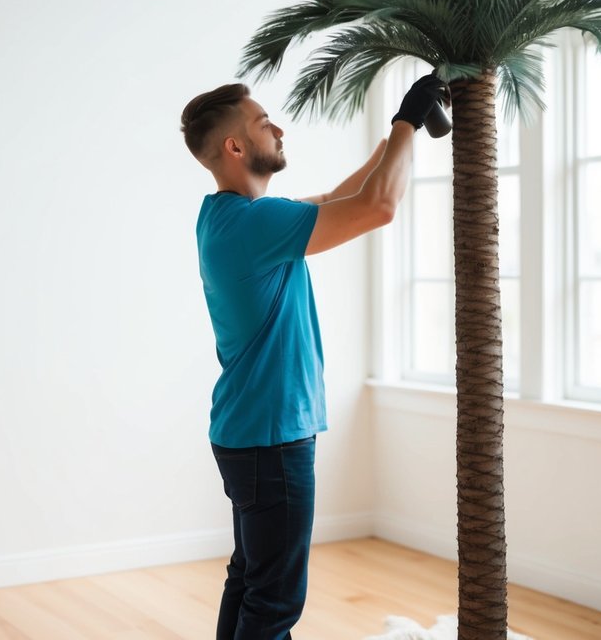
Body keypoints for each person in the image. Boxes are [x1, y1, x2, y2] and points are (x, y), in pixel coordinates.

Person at [179, 75, 447, 639]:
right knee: (274, 601)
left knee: (250, 577)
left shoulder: (228, 217)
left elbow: (336, 200)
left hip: (248, 431)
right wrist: (405, 120)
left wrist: (400, 134)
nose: (278, 127)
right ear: (234, 147)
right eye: (262, 122)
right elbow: (376, 208)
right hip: (273, 437)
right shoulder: (256, 224)